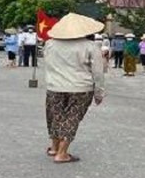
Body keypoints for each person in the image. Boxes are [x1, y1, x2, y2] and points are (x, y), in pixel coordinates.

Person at [44, 13, 105, 163]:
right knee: (72, 117)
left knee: (55, 116)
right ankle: (62, 153)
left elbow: (48, 65)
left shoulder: (50, 44)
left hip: (55, 86)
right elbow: (98, 72)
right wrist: (99, 92)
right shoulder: (90, 46)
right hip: (80, 88)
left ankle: (54, 147)